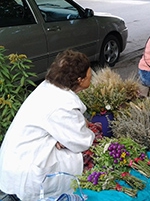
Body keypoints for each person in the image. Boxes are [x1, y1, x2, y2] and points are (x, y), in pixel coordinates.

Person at [0, 50, 95, 201]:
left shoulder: (49, 87)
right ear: (80, 80)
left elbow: (66, 130)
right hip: (26, 171)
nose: (92, 75)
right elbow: (82, 141)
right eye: (90, 74)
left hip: (14, 160)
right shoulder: (63, 104)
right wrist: (70, 138)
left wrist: (63, 138)